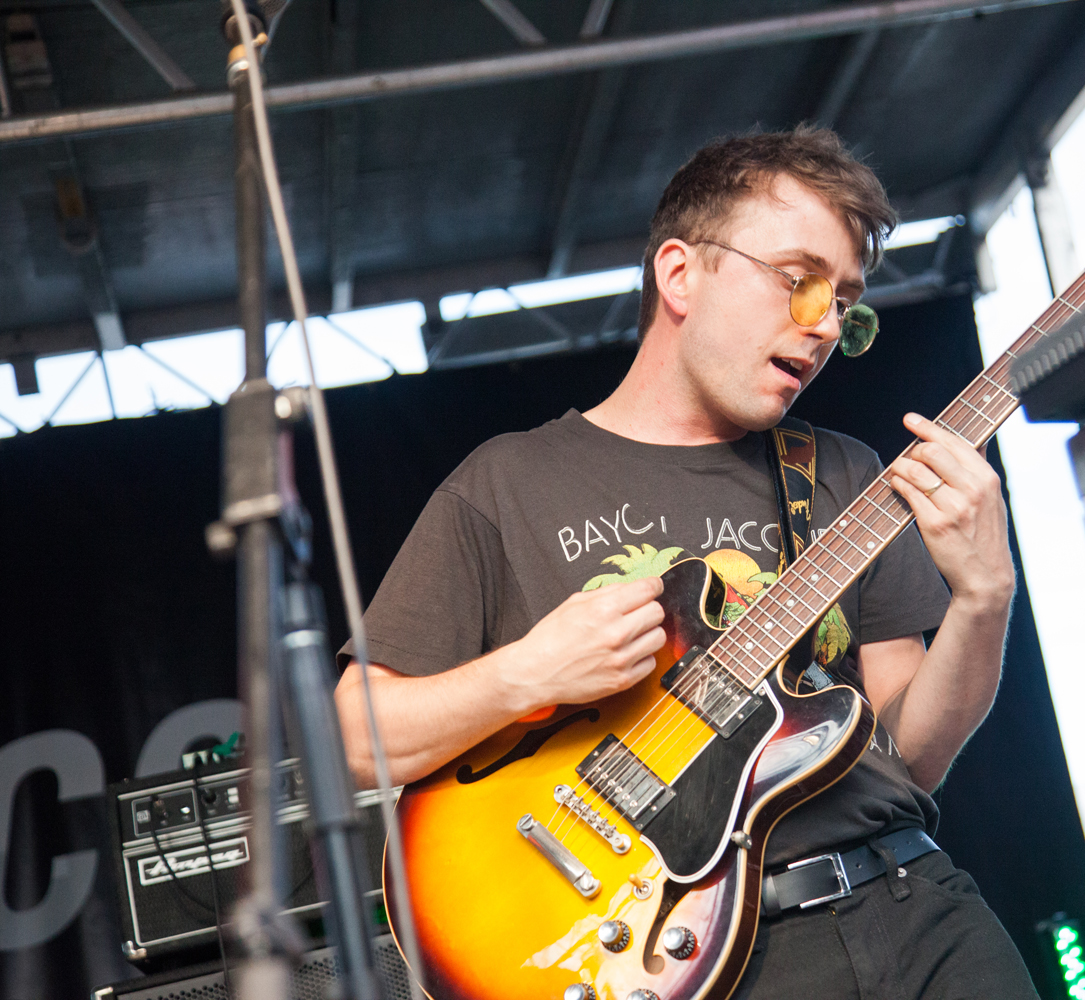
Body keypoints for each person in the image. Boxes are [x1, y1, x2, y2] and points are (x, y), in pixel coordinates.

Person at [334, 125, 1038, 999]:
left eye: (845, 305)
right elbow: (354, 742)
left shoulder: (850, 479)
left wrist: (985, 596)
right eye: (799, 282)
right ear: (680, 275)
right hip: (694, 951)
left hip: (916, 907)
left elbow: (910, 759)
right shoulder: (505, 483)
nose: (821, 327)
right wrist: (526, 673)